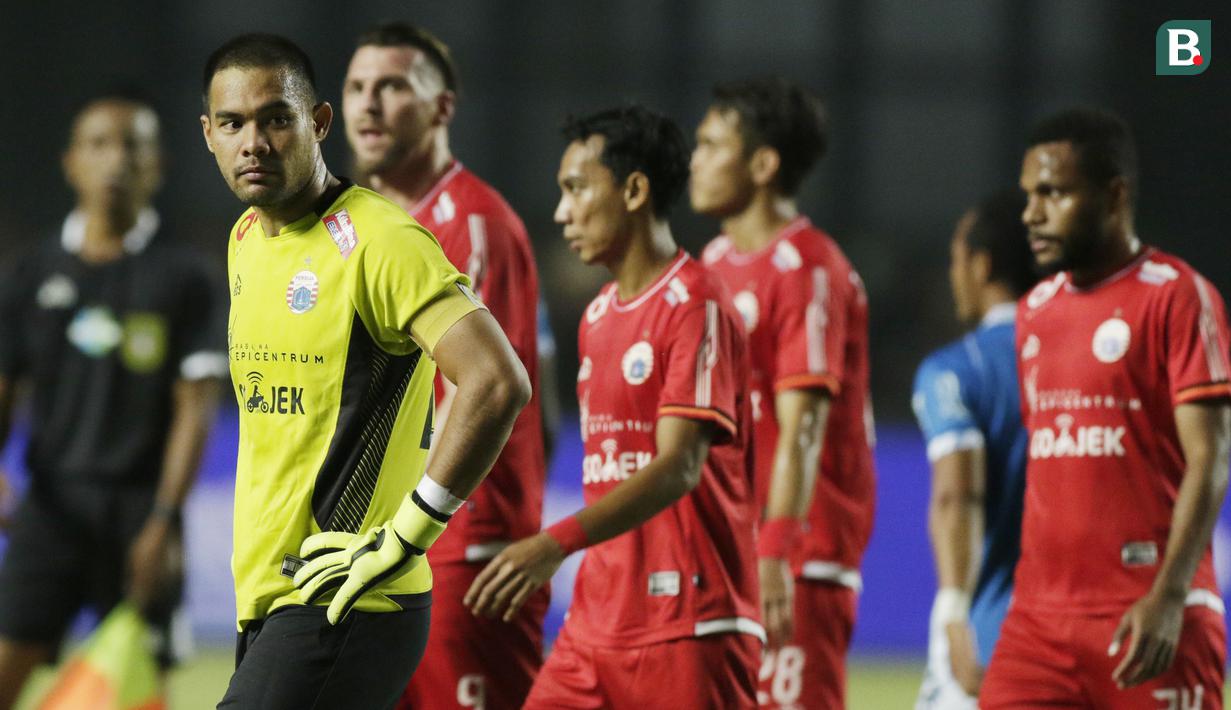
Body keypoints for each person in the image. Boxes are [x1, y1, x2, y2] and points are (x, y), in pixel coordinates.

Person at [198, 34, 530, 708]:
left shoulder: (382, 241)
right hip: (268, 595)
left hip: (347, 601)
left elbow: (498, 381)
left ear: (316, 124)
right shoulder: (245, 240)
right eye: (232, 124)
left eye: (275, 119)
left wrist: (409, 534)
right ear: (208, 134)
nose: (253, 142)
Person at [465, 105, 762, 708]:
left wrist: (555, 543)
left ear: (633, 190)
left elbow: (679, 466)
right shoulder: (598, 317)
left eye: (576, 188)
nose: (561, 212)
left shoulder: (696, 305)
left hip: (690, 624)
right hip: (596, 628)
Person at [981, 108, 1231, 708]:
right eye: (1028, 195)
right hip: (1037, 625)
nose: (1031, 213)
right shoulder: (1035, 310)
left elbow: (1211, 455)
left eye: (1053, 193)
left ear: (1114, 195)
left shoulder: (1176, 296)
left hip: (1148, 615)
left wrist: (1169, 596)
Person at [340, 22, 551, 709]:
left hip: (460, 547)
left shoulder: (472, 223)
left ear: (442, 107)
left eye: (393, 86)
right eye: (356, 87)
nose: (368, 104)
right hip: (387, 543)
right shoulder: (364, 225)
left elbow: (487, 388)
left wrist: (496, 525)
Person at [0, 93, 226, 709]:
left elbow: (194, 407)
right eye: (99, 143)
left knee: (136, 689)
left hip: (139, 517)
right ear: (71, 161)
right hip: (51, 510)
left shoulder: (187, 277)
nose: (116, 160)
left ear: (159, 165)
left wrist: (162, 520)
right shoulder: (31, 273)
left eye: (134, 144)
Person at [690, 77, 875, 709]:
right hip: (727, 555)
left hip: (797, 559)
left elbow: (803, 426)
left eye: (712, 144)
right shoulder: (711, 262)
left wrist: (775, 552)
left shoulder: (809, 268)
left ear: (763, 165)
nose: (695, 159)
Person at [911, 190, 1034, 709]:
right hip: (1082, 632)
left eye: (956, 260)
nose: (952, 275)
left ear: (981, 266)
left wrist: (953, 611)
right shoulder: (1080, 356)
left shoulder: (957, 369)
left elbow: (957, 495)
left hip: (989, 635)